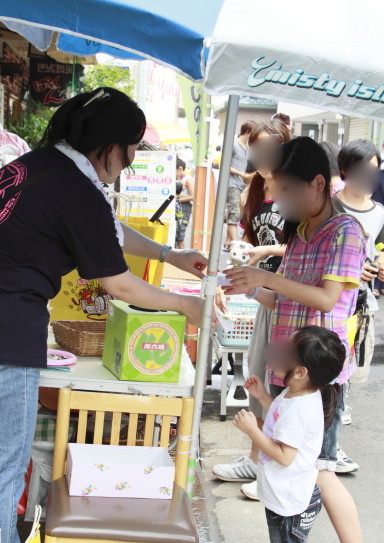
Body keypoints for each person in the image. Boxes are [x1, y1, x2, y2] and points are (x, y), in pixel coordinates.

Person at [0, 87, 208, 543]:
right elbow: (120, 284)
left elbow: (105, 233)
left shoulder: (33, 167)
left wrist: (171, 255)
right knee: (3, 468)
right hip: (9, 330)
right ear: (110, 145)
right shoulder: (76, 190)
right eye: (132, 149)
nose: (131, 160)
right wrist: (190, 306)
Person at [223, 137, 367, 543]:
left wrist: (266, 276)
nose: (280, 200)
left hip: (318, 371)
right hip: (289, 364)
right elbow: (281, 297)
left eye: (287, 190)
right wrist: (248, 287)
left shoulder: (345, 233)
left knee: (319, 468)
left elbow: (325, 298)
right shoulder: (301, 232)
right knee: (296, 464)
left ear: (318, 183)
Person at [213, 119, 290, 493]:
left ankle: (273, 468)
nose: (260, 156)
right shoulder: (255, 189)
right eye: (254, 148)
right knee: (259, 372)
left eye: (268, 148)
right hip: (262, 295)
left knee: (284, 382)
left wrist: (266, 251)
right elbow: (245, 235)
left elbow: (307, 245)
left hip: (291, 295)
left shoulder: (296, 188)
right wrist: (239, 262)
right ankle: (256, 458)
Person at [234, 326, 345, 543]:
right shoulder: (296, 393)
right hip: (286, 493)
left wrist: (253, 431)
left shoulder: (300, 408)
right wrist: (262, 395)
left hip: (289, 504)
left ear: (301, 372)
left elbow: (285, 457)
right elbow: (279, 415)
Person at [333, 139, 384, 384]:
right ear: (344, 170)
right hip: (330, 305)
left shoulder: (380, 212)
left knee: (356, 373)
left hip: (363, 307)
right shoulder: (328, 208)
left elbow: (381, 248)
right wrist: (352, 268)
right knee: (328, 370)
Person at [224, 121, 256, 250]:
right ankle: (236, 244)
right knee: (234, 214)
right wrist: (240, 174)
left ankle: (228, 242)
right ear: (248, 131)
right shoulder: (234, 144)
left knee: (238, 214)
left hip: (244, 185)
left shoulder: (249, 148)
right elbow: (224, 164)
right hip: (232, 184)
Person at [175, 157, 194, 249]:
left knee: (180, 236)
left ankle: (183, 256)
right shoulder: (178, 178)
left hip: (185, 209)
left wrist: (178, 199)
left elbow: (193, 196)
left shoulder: (188, 179)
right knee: (176, 234)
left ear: (180, 168)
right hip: (178, 208)